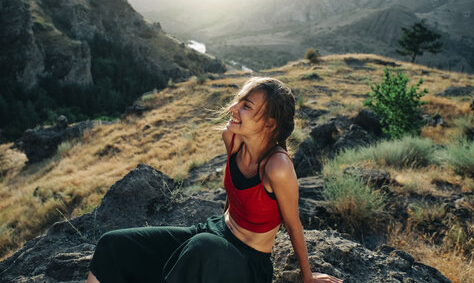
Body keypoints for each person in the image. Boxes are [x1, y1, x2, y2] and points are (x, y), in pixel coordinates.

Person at [86, 77, 343, 283]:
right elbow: (235, 198)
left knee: (201, 248)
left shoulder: (277, 167)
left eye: (246, 106)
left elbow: (293, 223)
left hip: (247, 261)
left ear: (269, 123)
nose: (233, 108)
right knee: (113, 244)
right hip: (213, 234)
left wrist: (307, 276)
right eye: (239, 101)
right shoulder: (231, 139)